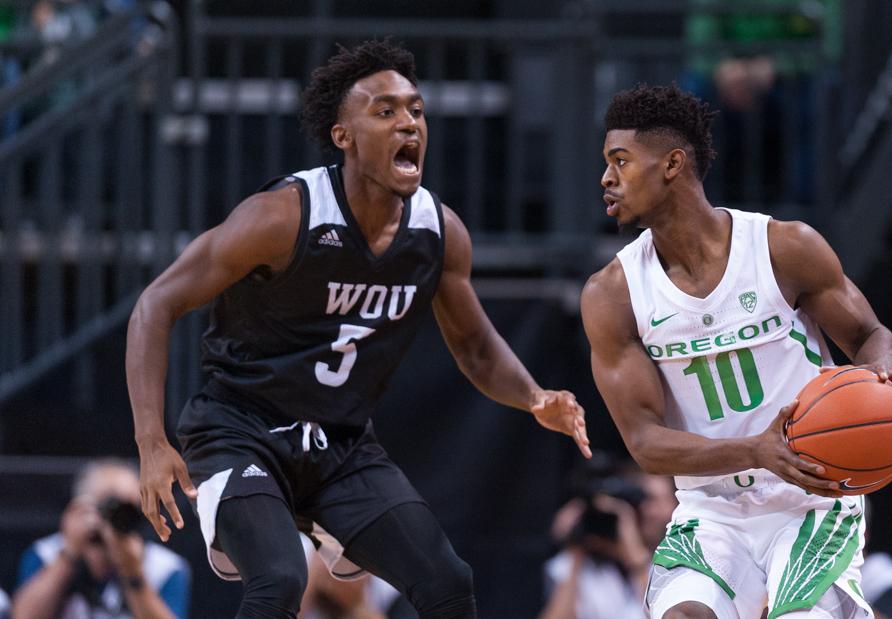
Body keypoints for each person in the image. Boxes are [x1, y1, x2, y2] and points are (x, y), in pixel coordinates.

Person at [124, 39, 590, 619]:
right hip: (239, 429)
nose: (409, 125)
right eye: (385, 111)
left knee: (447, 580)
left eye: (416, 110)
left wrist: (535, 396)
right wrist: (151, 442)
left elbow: (475, 347)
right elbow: (156, 303)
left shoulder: (438, 232)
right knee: (278, 579)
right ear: (343, 136)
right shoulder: (282, 217)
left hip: (340, 443)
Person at [580, 84, 892, 619]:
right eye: (607, 163)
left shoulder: (784, 248)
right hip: (711, 511)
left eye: (620, 161)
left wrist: (879, 383)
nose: (607, 178)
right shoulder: (612, 293)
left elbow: (872, 336)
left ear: (672, 164)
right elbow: (645, 443)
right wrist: (755, 451)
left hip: (814, 502)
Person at [11, 459, 190, 619]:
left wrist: (133, 573)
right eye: (106, 506)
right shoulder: (46, 554)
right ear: (81, 506)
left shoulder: (164, 567)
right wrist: (68, 556)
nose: (113, 519)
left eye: (125, 509)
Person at [539, 458, 677, 619]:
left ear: (677, 506)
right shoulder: (585, 562)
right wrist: (577, 542)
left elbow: (663, 614)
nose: (644, 509)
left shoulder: (678, 563)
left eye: (652, 500)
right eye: (639, 499)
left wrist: (634, 557)